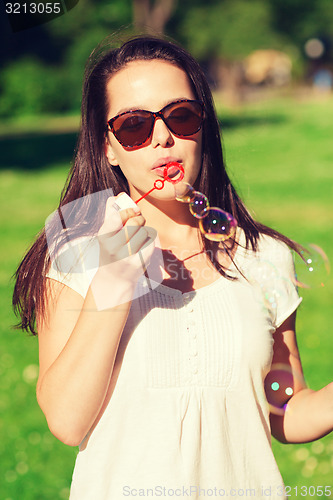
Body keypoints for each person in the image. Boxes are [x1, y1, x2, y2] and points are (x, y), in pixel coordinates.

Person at [13, 35, 333, 499]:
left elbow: (284, 408)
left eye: (181, 116)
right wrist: (113, 280)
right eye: (135, 126)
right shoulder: (73, 252)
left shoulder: (263, 257)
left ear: (203, 125)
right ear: (108, 147)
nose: (163, 137)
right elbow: (66, 420)